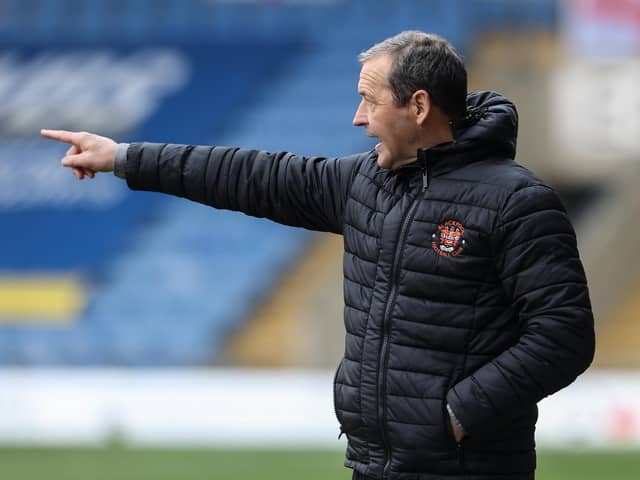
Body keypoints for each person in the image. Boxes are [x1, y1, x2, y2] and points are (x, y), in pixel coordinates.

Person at [41, 31, 595, 480]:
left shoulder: (517, 201)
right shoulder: (364, 183)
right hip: (376, 463)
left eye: (370, 101)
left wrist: (456, 414)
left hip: (468, 469)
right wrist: (125, 157)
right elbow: (248, 176)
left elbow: (564, 335)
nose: (358, 118)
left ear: (419, 106)